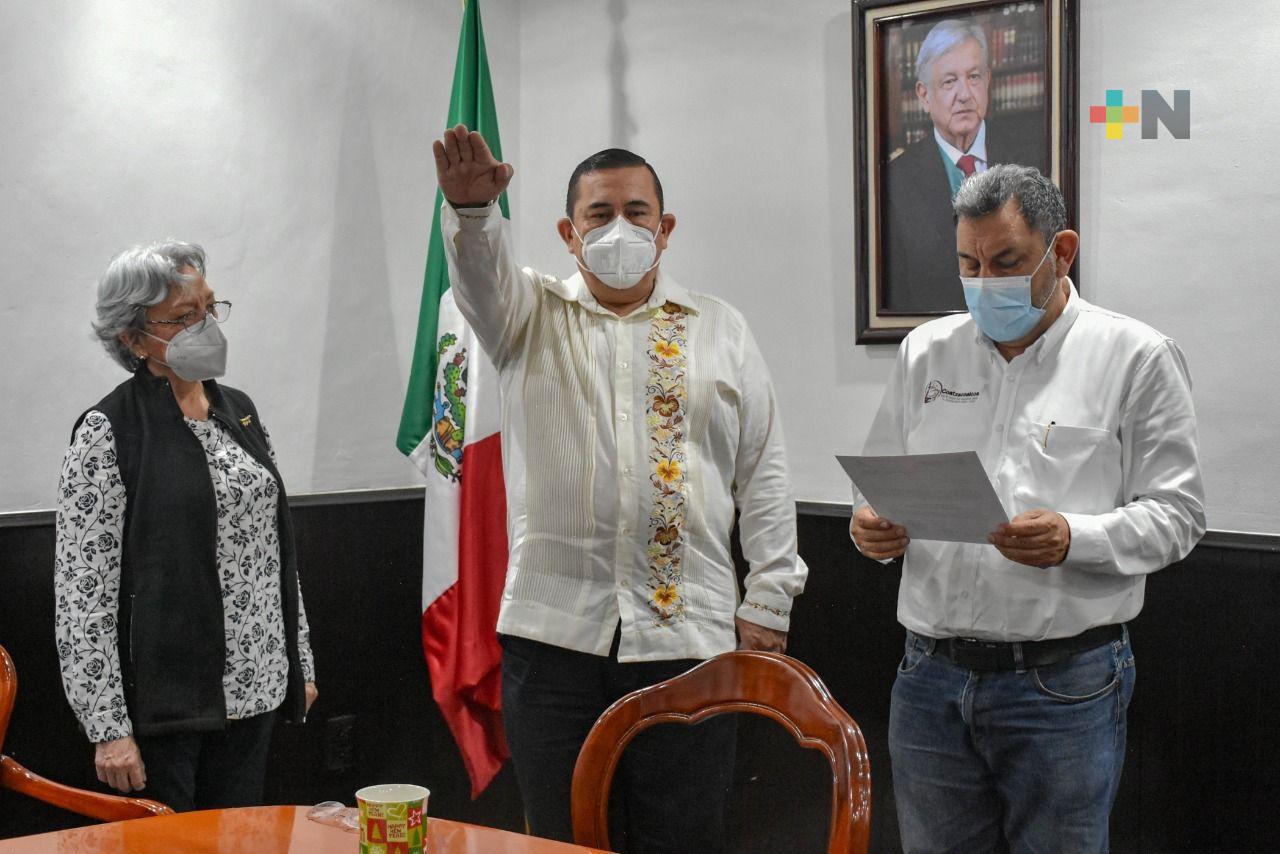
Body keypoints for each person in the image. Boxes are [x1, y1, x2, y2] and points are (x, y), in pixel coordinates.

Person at [431, 125, 807, 852]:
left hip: (689, 639)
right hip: (554, 642)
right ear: (569, 235)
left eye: (637, 212)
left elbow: (764, 466)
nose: (620, 228)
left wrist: (770, 596)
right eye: (599, 215)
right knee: (566, 841)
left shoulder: (720, 327)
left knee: (685, 839)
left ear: (665, 230)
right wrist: (473, 216)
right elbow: (478, 277)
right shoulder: (525, 316)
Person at [851, 164, 1205, 853]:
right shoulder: (927, 351)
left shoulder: (1135, 357)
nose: (985, 281)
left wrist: (1078, 537)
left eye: (1007, 261)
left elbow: (1179, 514)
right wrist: (872, 525)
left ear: (1061, 251)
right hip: (928, 675)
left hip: (1063, 683)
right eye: (969, 263)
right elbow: (877, 486)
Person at [54, 242, 318, 811]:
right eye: (182, 317)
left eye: (208, 308)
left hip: (258, 690)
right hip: (167, 706)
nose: (204, 326)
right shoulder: (110, 431)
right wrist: (107, 727)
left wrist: (299, 662)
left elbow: (274, 548)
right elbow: (83, 593)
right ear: (131, 337)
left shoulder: (239, 410)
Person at [882, 18, 1047, 313]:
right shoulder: (894, 181)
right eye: (949, 81)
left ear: (988, 81)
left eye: (973, 77)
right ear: (923, 95)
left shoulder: (1034, 155)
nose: (964, 94)